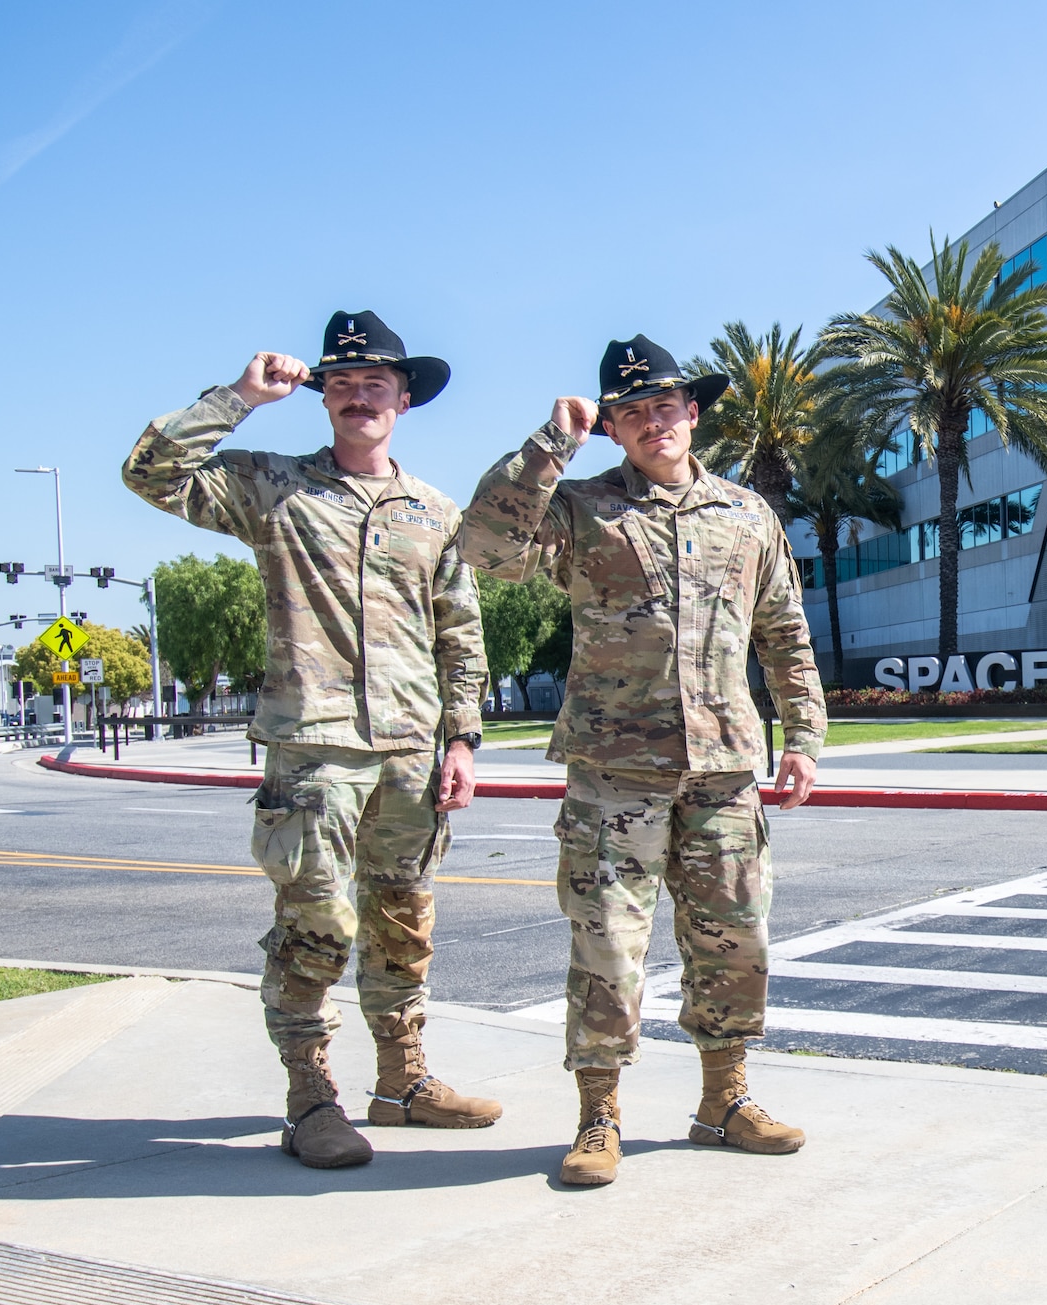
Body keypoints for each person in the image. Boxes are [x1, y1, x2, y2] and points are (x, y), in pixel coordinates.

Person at [123, 311, 499, 1170]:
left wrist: (463, 739)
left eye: (375, 383)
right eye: (341, 383)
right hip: (315, 748)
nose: (358, 395)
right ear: (321, 397)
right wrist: (240, 398)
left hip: (410, 749)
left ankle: (402, 1081)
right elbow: (150, 471)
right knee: (317, 923)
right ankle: (309, 1097)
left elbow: (459, 634)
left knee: (404, 921)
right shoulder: (272, 488)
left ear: (404, 399)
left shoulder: (433, 511)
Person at [460, 334, 826, 1187]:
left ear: (692, 414)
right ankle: (598, 1115)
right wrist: (551, 444)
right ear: (613, 430)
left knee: (734, 943)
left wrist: (804, 735)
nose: (653, 422)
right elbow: (483, 545)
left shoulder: (746, 514)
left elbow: (784, 633)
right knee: (608, 948)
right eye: (631, 412)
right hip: (613, 772)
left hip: (724, 771)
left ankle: (724, 1099)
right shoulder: (581, 506)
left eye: (665, 405)